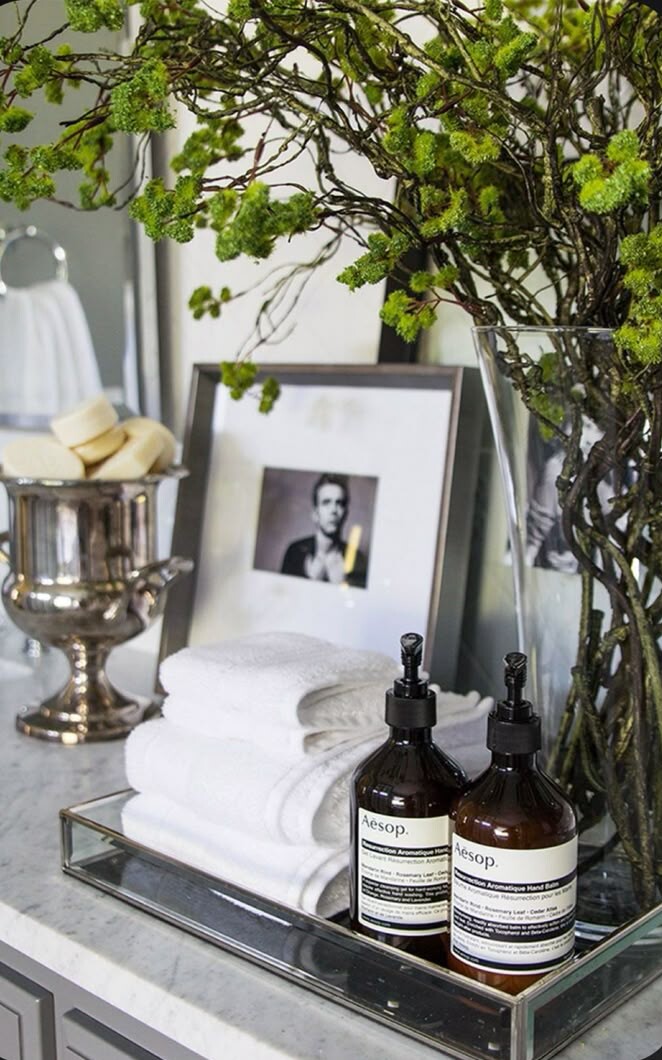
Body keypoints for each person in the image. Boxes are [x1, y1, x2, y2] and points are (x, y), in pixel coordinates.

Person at [281, 473, 368, 588]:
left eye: (339, 503)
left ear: (345, 513)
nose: (333, 510)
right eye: (326, 502)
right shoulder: (294, 552)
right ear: (315, 513)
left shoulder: (358, 559)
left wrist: (342, 584)